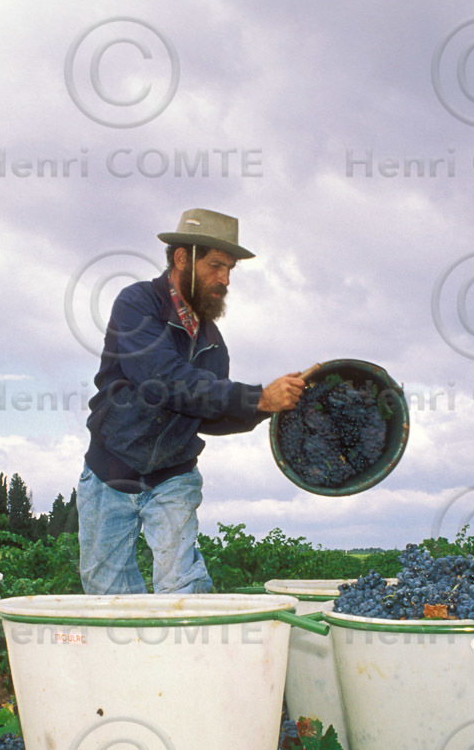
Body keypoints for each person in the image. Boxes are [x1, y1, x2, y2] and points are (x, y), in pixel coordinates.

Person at [78, 208, 305, 594]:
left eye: (230, 269)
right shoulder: (137, 305)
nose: (225, 279)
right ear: (182, 258)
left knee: (183, 587)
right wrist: (258, 396)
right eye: (216, 265)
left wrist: (267, 408)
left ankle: (186, 633)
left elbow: (208, 414)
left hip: (174, 474)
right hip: (111, 469)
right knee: (107, 591)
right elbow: (161, 379)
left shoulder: (213, 343)